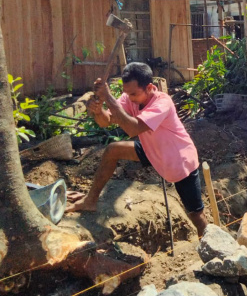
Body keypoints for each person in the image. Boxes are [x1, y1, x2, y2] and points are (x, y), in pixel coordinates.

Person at [65, 62, 208, 237]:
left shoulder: (163, 102)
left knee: (195, 214)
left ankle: (217, 251)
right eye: (127, 93)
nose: (129, 97)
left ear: (149, 87)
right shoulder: (129, 97)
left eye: (134, 93)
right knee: (113, 150)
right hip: (152, 149)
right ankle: (90, 201)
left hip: (178, 159)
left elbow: (133, 129)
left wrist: (108, 97)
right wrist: (98, 110)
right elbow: (106, 121)